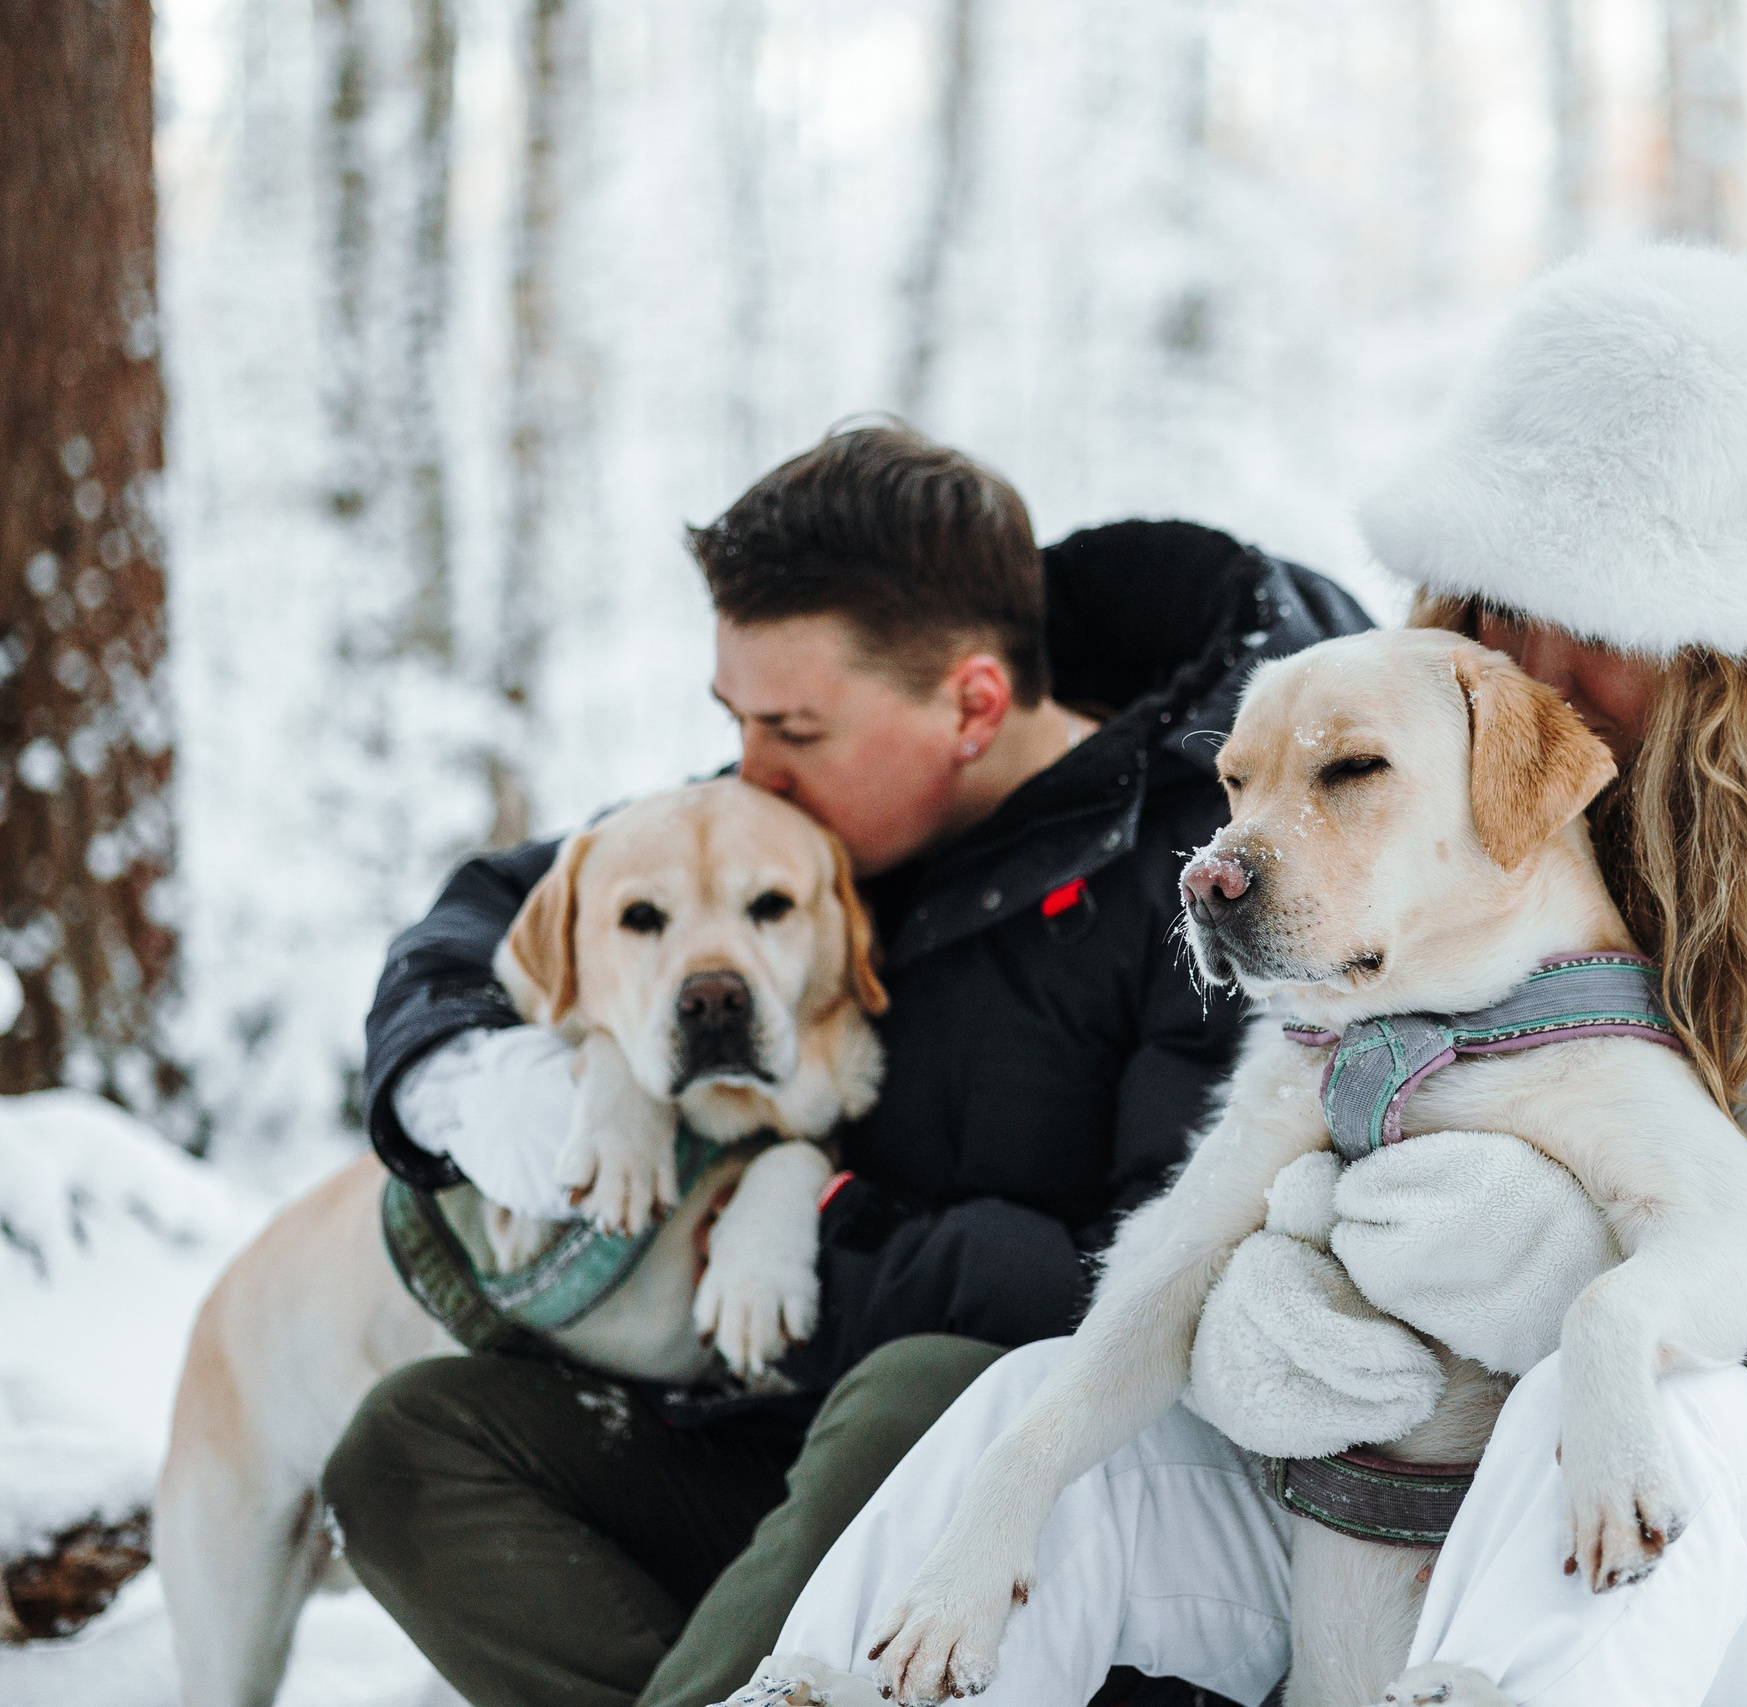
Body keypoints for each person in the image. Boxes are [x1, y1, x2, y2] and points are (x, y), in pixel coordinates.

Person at [747, 246, 1747, 1707]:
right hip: (1460, 1503)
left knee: (1641, 1405)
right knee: (1031, 1418)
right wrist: (1262, 1314)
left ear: (1726, 627)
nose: (1518, 665)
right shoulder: (1449, 812)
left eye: (1578, 615)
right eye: (1484, 604)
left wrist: (1616, 1274)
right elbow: (1267, 1168)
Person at [321, 422, 1370, 1707]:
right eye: (736, 721)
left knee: (915, 1391)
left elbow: (1153, 1292)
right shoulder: (822, 813)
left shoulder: (1213, 880)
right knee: (409, 1445)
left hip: (1038, 1500)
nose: (749, 770)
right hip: (765, 1432)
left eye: (791, 729)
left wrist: (819, 1224)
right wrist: (471, 1078)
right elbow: (499, 903)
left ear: (972, 705)